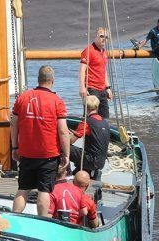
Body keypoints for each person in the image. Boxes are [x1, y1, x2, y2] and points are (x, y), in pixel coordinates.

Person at [10, 65, 69, 215]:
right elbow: (63, 131)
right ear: (52, 81)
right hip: (48, 154)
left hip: (27, 153)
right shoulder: (57, 101)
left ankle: (15, 217)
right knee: (44, 191)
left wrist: (14, 147)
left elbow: (14, 124)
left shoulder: (22, 98)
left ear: (38, 80)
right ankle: (42, 221)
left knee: (23, 189)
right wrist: (66, 153)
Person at [69, 95, 109, 180]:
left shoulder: (87, 122)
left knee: (62, 147)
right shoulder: (104, 122)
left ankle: (65, 173)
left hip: (91, 160)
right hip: (101, 161)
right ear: (97, 106)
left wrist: (64, 135)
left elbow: (71, 141)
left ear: (85, 107)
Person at [79, 27, 113, 119]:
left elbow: (103, 70)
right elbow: (82, 70)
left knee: (105, 118)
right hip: (92, 89)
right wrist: (82, 87)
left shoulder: (104, 52)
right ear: (96, 36)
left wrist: (108, 87)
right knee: (90, 118)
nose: (104, 39)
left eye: (106, 37)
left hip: (103, 90)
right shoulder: (88, 51)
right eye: (102, 36)